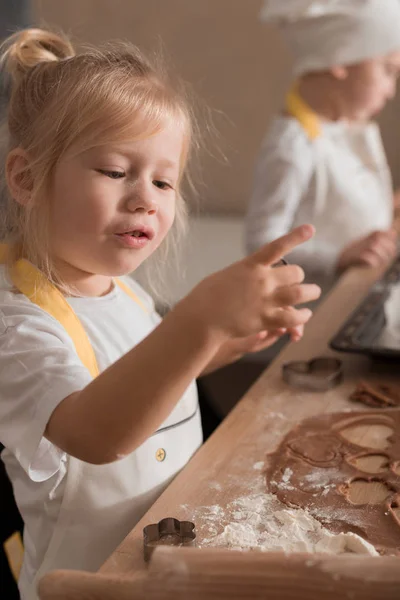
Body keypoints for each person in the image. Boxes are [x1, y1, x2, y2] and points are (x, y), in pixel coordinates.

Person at [0, 28, 321, 599]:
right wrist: (198, 321)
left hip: (164, 566)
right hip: (88, 586)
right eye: (116, 171)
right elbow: (97, 432)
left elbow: (146, 382)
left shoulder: (122, 292)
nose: (146, 197)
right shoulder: (20, 327)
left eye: (163, 179)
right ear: (27, 178)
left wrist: (226, 341)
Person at [246, 0, 400, 294]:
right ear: (340, 61)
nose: (391, 90)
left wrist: (387, 207)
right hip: (317, 310)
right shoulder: (291, 150)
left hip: (360, 288)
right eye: (388, 70)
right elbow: (260, 245)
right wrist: (338, 258)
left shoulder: (343, 124)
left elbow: (337, 207)